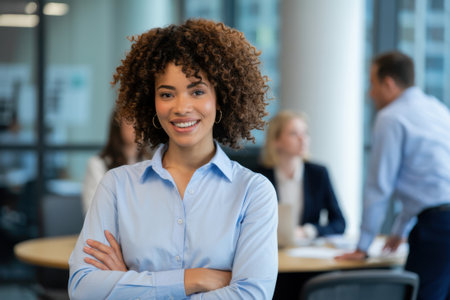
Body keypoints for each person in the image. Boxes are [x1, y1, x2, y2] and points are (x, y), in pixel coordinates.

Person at [68, 19, 278, 299]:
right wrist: (195, 279)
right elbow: (83, 289)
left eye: (197, 91)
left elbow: (251, 295)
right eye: (166, 94)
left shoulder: (253, 192)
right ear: (151, 102)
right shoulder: (117, 186)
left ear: (221, 99)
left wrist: (129, 283)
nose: (181, 107)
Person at [336, 51, 450, 300]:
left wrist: (362, 247)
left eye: (372, 84)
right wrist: (400, 230)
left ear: (388, 83)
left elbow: (379, 186)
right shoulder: (437, 109)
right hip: (440, 221)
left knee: (419, 296)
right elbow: (426, 182)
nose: (370, 93)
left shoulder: (391, 117)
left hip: (439, 228)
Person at [257, 111, 345, 240]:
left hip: (307, 253)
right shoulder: (259, 177)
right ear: (276, 141)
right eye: (294, 134)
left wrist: (307, 231)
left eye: (305, 133)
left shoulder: (318, 174)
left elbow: (339, 223)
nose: (302, 139)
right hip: (271, 249)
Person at [81, 111, 152, 215]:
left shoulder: (150, 163)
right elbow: (95, 211)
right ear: (117, 125)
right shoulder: (98, 164)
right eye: (130, 121)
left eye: (141, 121)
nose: (137, 126)